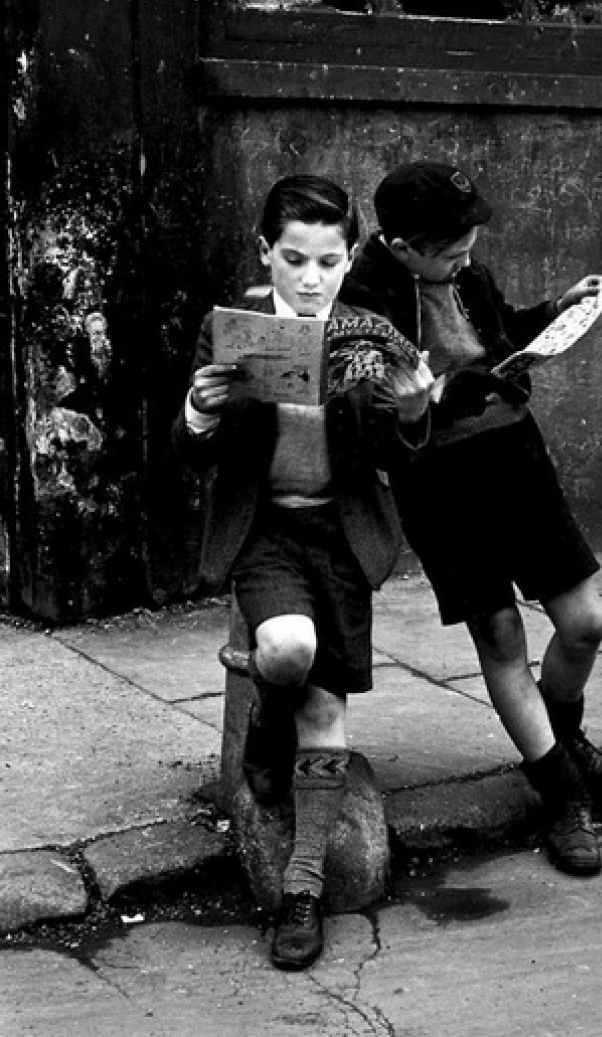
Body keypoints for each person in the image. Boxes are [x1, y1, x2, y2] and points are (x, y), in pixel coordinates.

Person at [340, 160, 602, 877]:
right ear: (403, 245)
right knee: (499, 631)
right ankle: (560, 792)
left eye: (469, 243)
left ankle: (564, 735)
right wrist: (438, 395)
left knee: (584, 621)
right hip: (439, 482)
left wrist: (557, 309)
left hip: (515, 458)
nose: (464, 259)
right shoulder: (363, 299)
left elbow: (500, 334)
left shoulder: (465, 272)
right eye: (448, 251)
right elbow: (371, 422)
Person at [172, 174, 434, 971]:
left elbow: (394, 456)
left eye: (327, 260)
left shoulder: (371, 333)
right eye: (294, 259)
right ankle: (259, 730)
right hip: (266, 533)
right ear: (267, 253)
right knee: (285, 649)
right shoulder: (236, 329)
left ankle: (303, 891)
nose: (311, 278)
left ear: (349, 255)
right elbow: (195, 451)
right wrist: (201, 408)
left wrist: (414, 407)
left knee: (326, 713)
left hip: (340, 535)